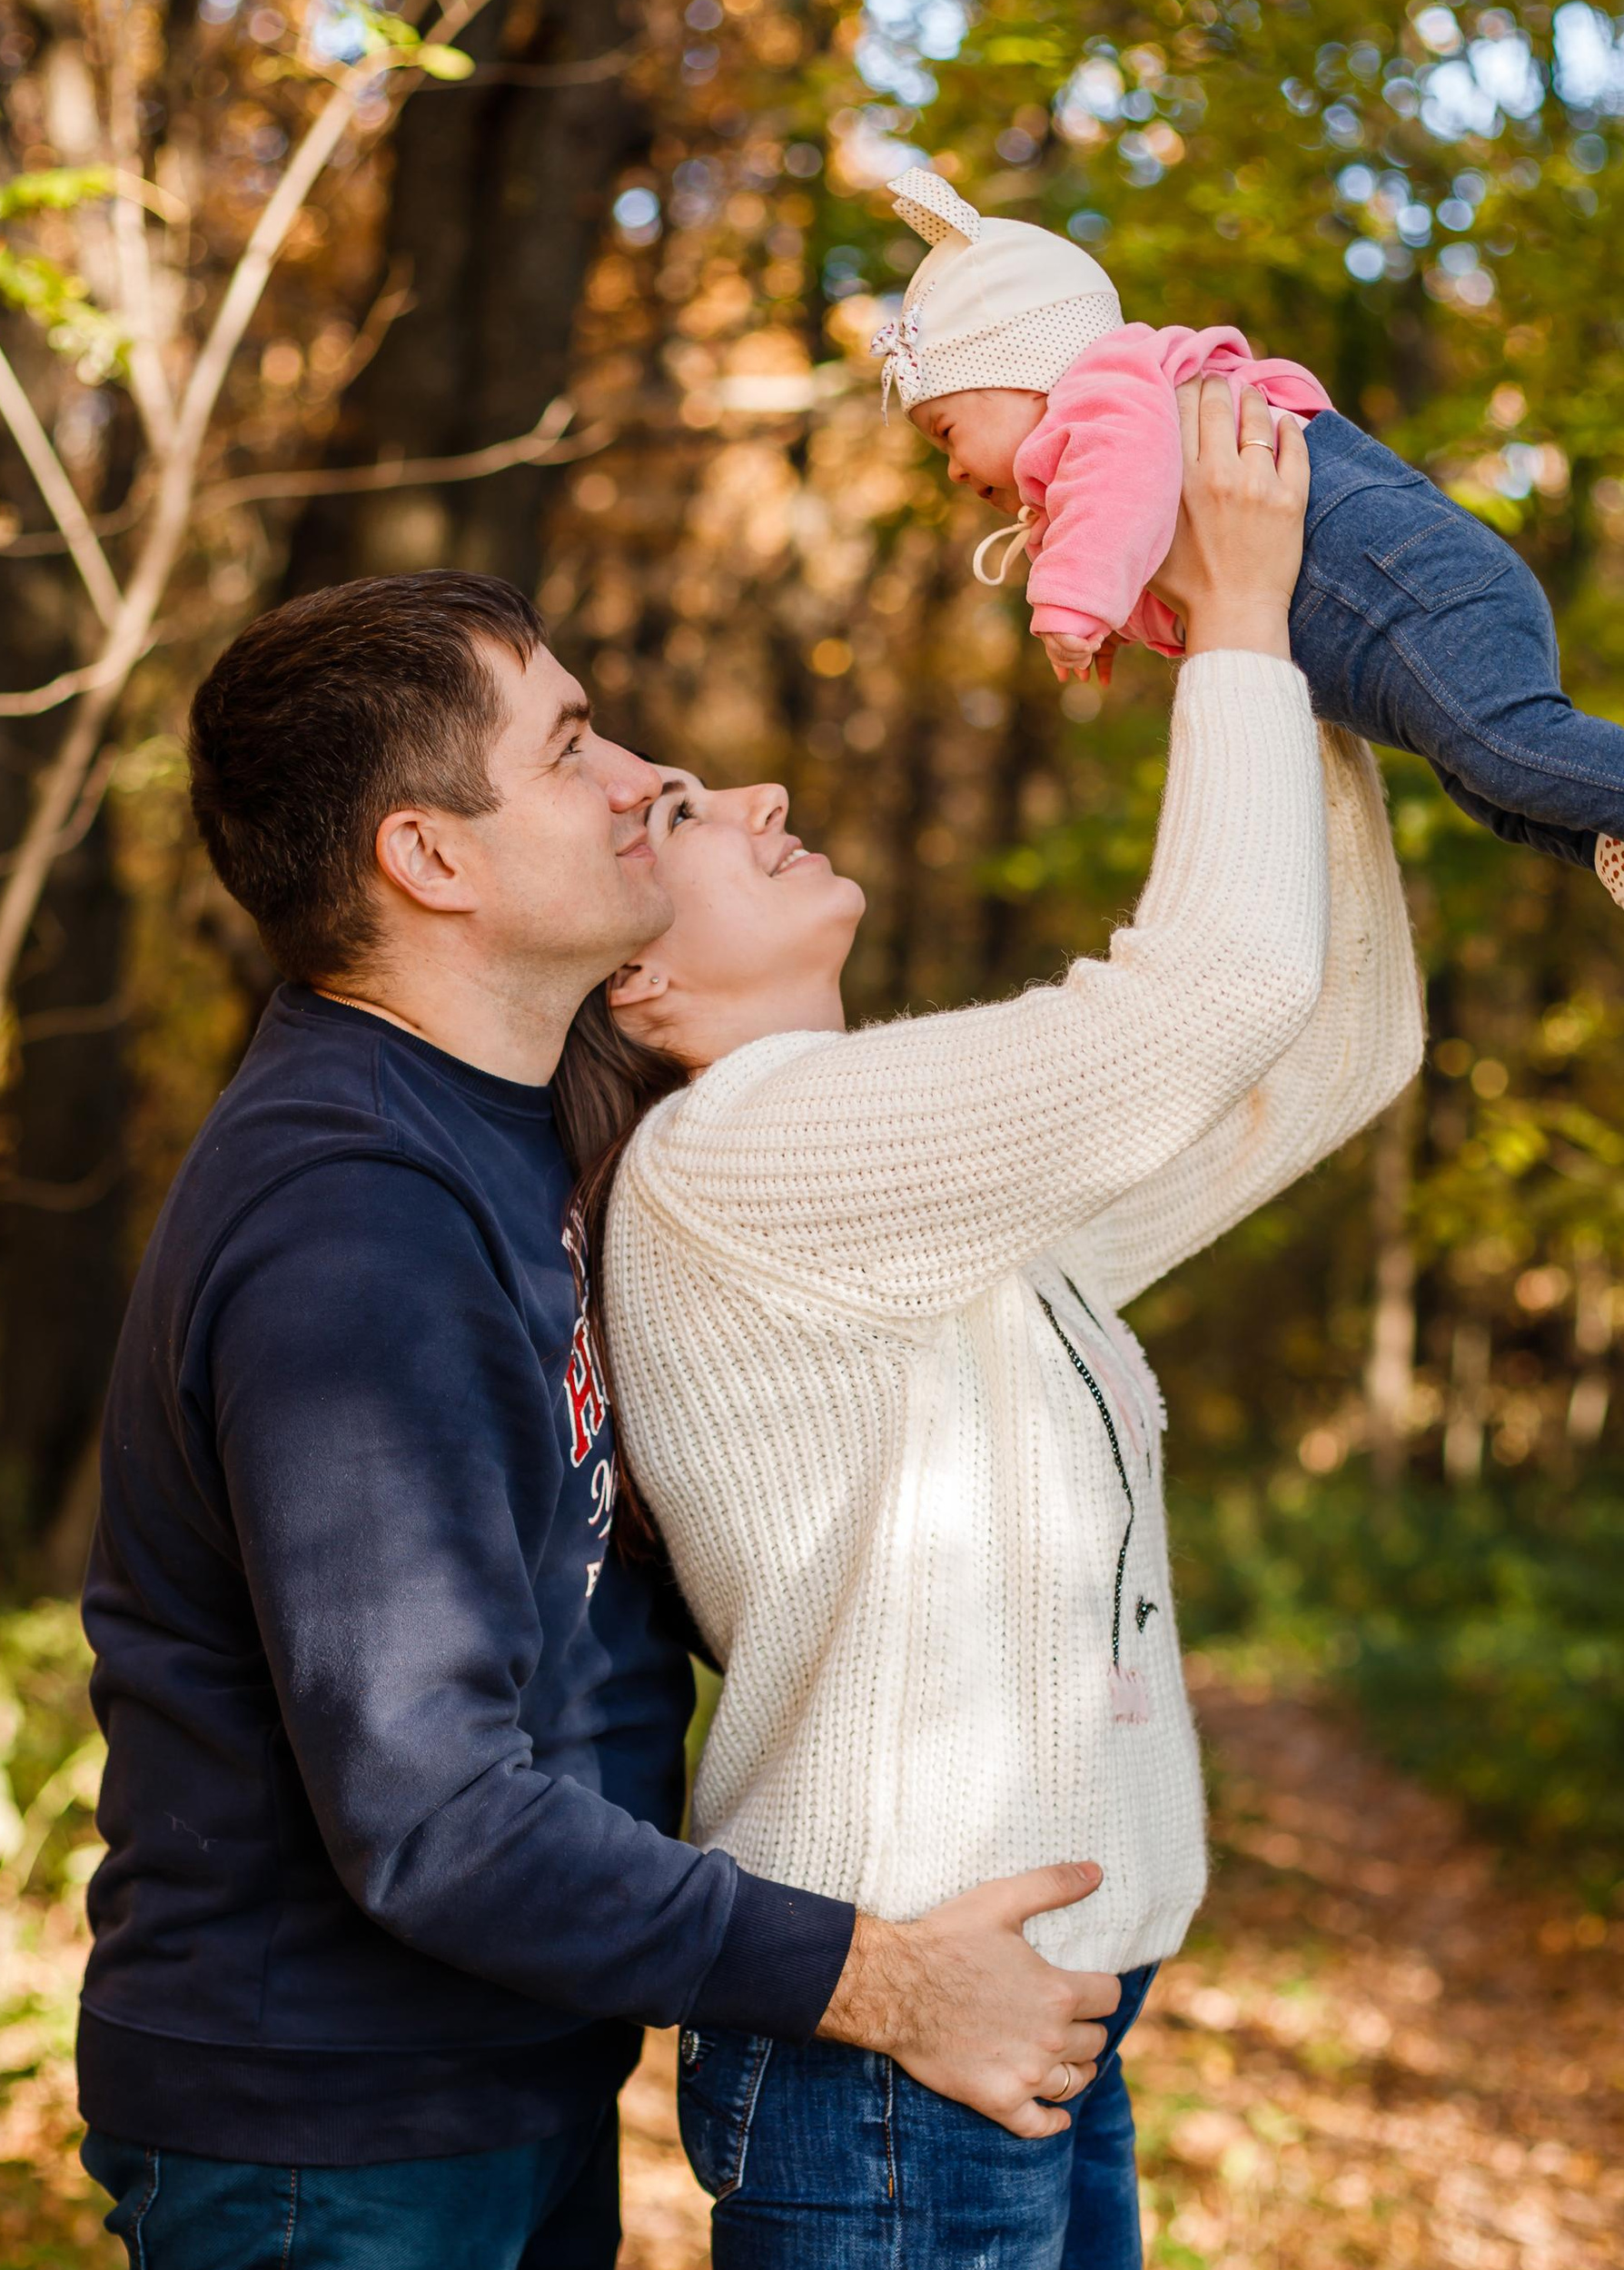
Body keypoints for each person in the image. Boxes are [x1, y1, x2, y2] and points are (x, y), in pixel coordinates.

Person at [75, 570, 1124, 2270]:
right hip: (325, 2142)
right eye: (571, 747)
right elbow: (431, 1810)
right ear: (434, 858)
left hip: (498, 2079)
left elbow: (611, 1631)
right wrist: (877, 1977)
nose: (644, 775)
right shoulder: (353, 1224)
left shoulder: (511, 1128)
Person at [550, 378, 1424, 2267]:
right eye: (690, 812)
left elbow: (1328, 1044)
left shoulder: (907, 1181)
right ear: (632, 977)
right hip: (896, 2041)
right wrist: (1246, 625)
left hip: (1026, 2010)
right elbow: (1208, 992)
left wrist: (1300, 658)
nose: (764, 794)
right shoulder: (745, 1156)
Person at [872, 165, 1624, 980]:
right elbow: (1132, 516)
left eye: (946, 434)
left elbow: (1123, 480)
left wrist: (1076, 601)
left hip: (1414, 592)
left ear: (1027, 363)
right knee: (1480, 781)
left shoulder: (1108, 386)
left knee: (1498, 745)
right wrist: (1111, 620)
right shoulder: (1110, 435)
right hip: (1383, 635)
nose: (953, 472)